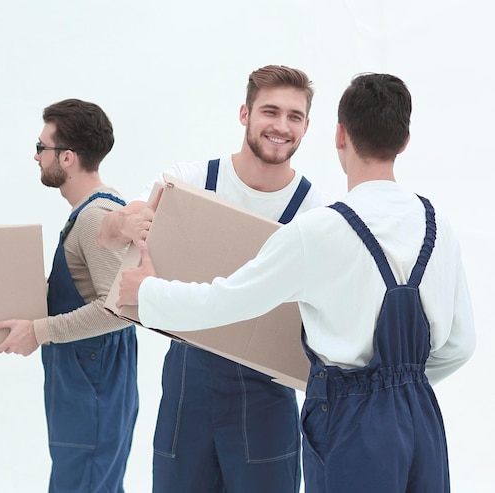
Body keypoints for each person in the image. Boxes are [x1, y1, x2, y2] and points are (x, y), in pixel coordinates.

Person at [117, 73, 476, 493]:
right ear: (405, 140)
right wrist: (399, 391)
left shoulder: (318, 228)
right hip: (420, 417)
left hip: (347, 417)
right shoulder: (439, 225)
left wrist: (146, 293)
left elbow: (228, 302)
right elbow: (461, 345)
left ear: (339, 135)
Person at [97, 65, 329, 493]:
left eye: (294, 116)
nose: (281, 126)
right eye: (270, 112)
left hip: (266, 394)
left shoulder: (315, 212)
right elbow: (106, 233)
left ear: (307, 126)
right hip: (190, 386)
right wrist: (125, 225)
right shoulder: (190, 182)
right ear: (245, 114)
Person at [0, 98, 138, 493]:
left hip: (90, 388)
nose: (36, 156)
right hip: (84, 384)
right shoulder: (90, 212)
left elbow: (119, 310)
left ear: (68, 157)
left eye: (42, 148)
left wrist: (38, 331)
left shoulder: (95, 217)